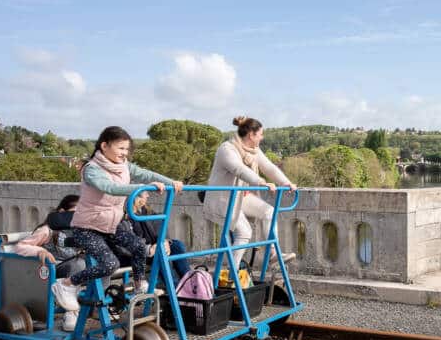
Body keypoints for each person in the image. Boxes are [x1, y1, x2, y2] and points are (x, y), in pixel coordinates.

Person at [50, 126, 183, 329]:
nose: (124, 153)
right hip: (88, 226)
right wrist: (141, 188)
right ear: (104, 146)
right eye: (120, 148)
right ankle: (67, 284)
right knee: (109, 264)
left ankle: (139, 287)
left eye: (127, 149)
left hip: (112, 223)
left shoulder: (123, 165)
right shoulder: (91, 169)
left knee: (138, 246)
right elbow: (109, 188)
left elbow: (146, 174)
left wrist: (170, 182)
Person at [203, 116, 296, 275]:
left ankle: (272, 253)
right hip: (222, 199)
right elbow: (239, 169)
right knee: (244, 232)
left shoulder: (253, 151)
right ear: (251, 135)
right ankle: (233, 272)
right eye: (260, 134)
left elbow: (269, 167)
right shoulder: (227, 149)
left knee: (269, 212)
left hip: (239, 197)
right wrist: (260, 182)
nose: (262, 137)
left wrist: (286, 183)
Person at [11, 194, 83, 279]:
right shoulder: (47, 231)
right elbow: (20, 246)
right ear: (62, 212)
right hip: (50, 271)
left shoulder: (78, 231)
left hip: (70, 270)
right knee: (79, 265)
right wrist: (40, 251)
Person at [128, 190, 191, 283]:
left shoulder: (146, 210)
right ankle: (174, 286)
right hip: (139, 252)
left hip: (153, 247)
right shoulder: (126, 214)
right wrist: (150, 248)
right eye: (145, 193)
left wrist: (165, 241)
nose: (148, 195)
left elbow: (160, 225)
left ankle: (189, 280)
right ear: (136, 197)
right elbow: (128, 240)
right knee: (161, 252)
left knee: (177, 245)